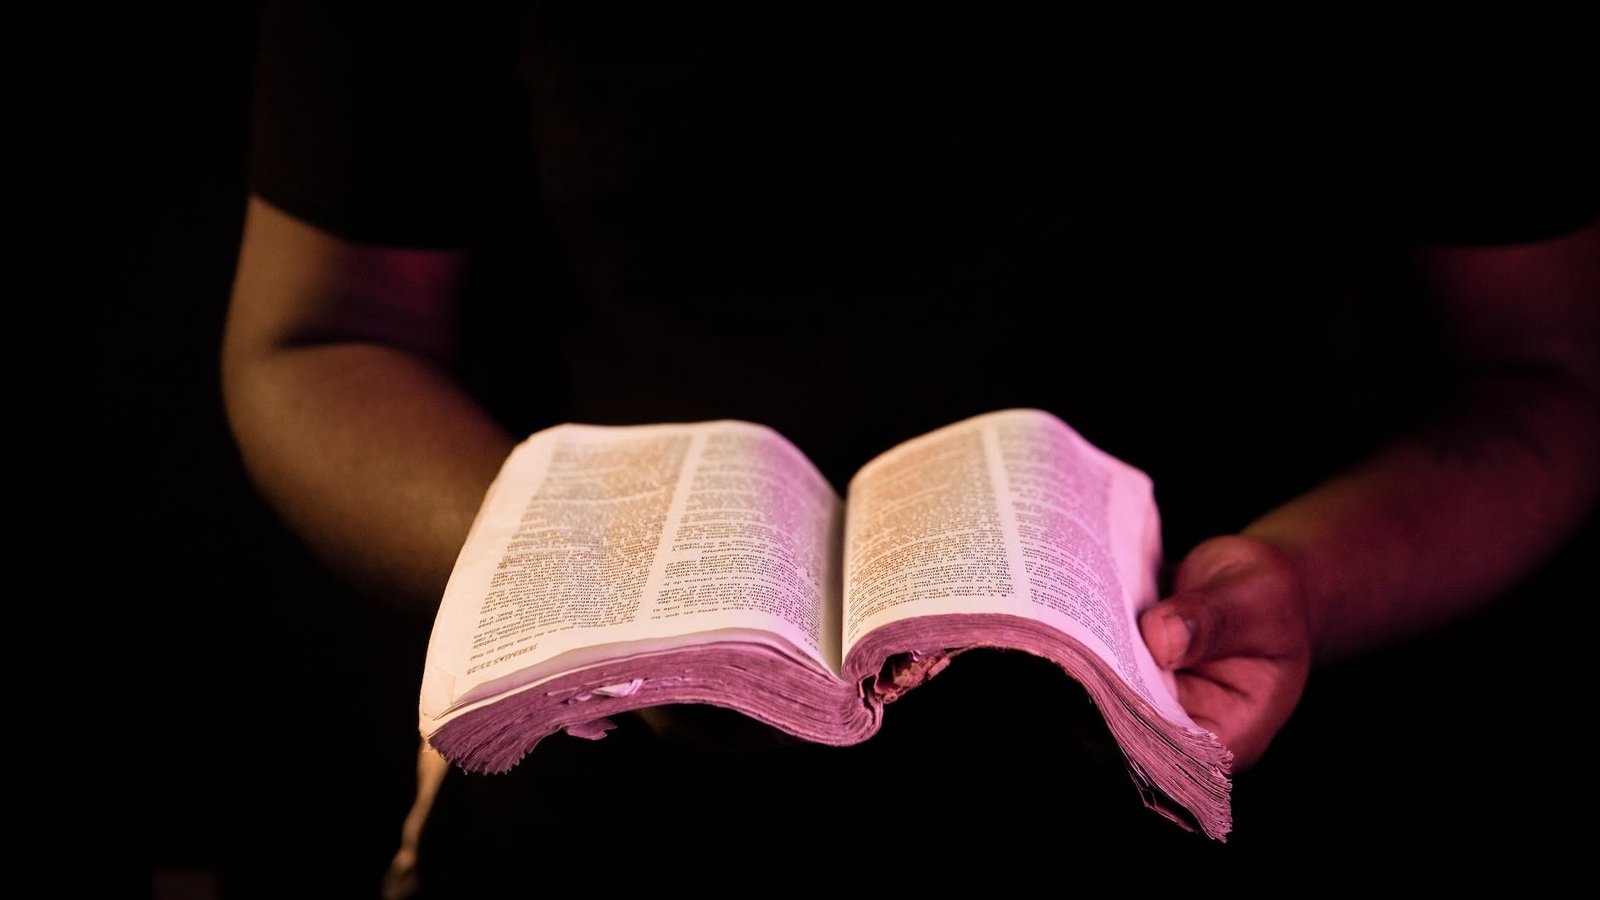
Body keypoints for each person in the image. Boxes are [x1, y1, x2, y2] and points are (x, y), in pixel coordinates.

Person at [222, 4, 1597, 891]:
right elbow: (321, 335)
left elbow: (1542, 376)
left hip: (1229, 770)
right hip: (631, 813)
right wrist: (573, 591)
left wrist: (1302, 583)